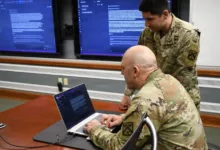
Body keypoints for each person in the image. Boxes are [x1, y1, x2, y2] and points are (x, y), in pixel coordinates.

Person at [84, 45, 208, 150]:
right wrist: (124, 118)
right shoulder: (169, 80)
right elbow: (159, 114)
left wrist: (95, 130)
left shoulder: (145, 100)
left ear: (135, 71)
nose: (121, 73)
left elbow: (120, 146)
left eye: (123, 68)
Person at [120, 0, 201, 111]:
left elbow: (182, 75)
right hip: (155, 97)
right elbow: (135, 62)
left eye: (150, 19)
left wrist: (149, 99)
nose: (146, 24)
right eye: (145, 19)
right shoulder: (147, 33)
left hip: (181, 98)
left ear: (165, 14)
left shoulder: (188, 34)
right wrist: (127, 94)